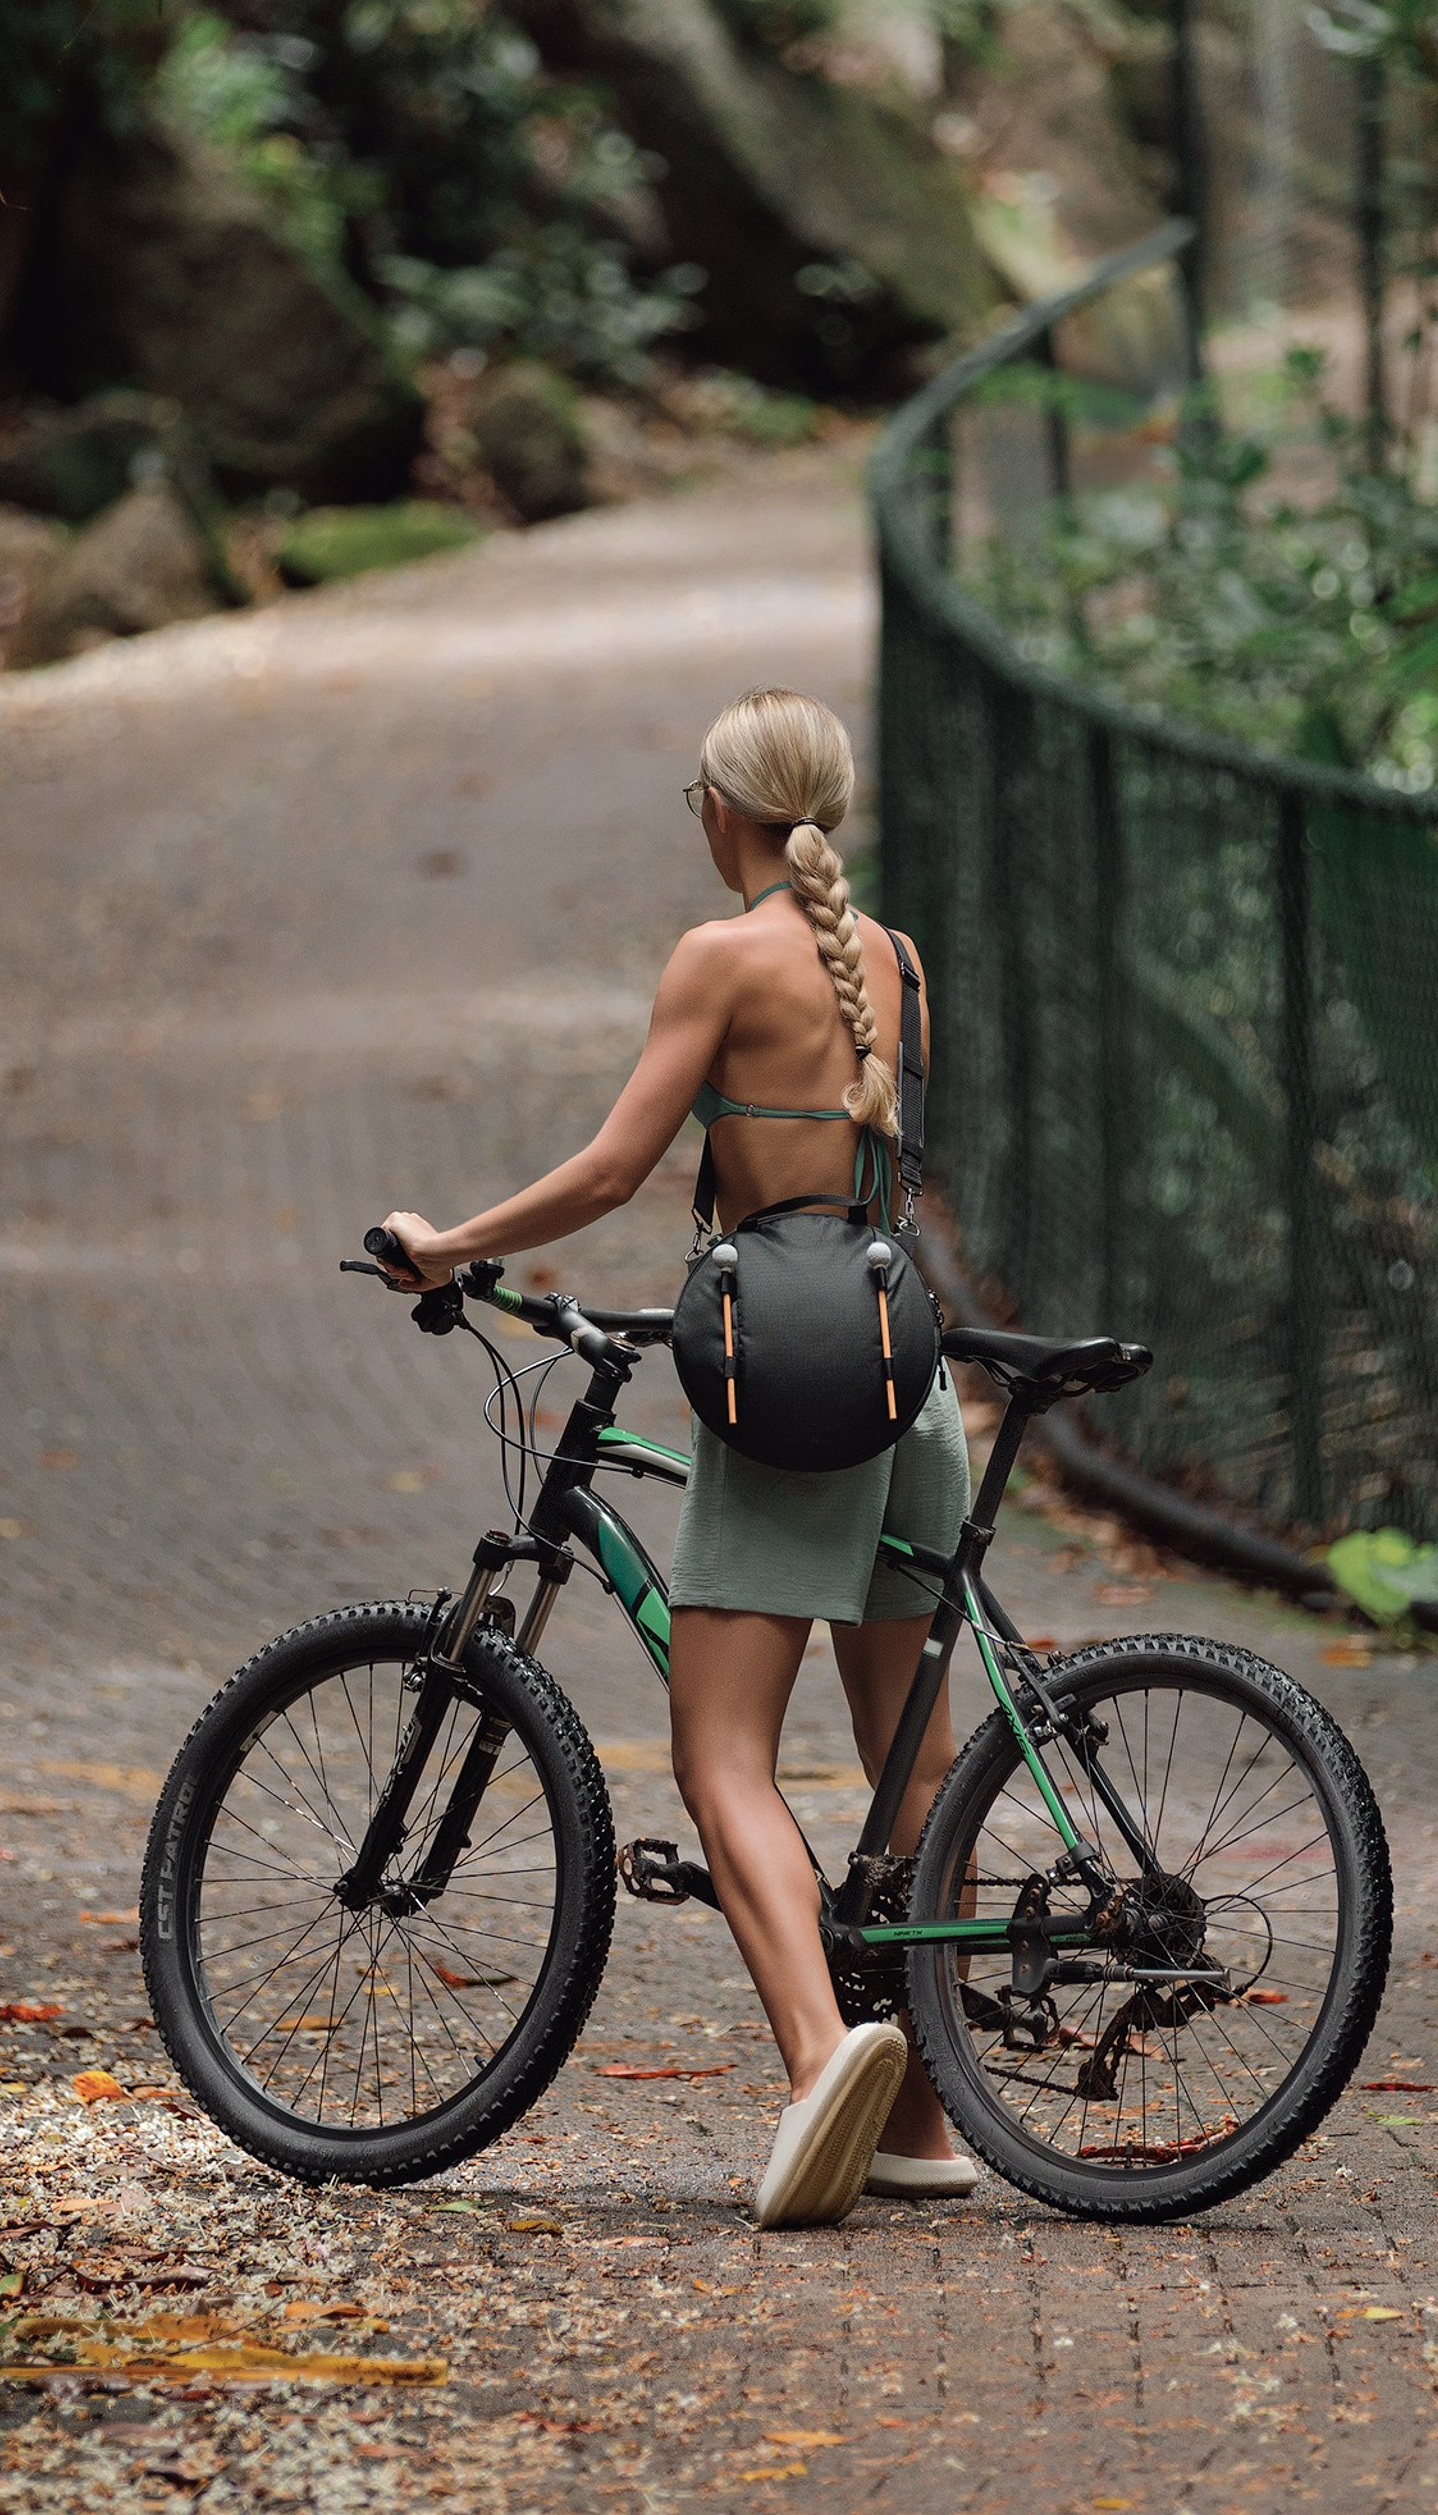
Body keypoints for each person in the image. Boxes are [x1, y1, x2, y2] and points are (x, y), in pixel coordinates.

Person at [379, 686, 980, 2228]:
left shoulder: (720, 957)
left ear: (721, 811)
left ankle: (813, 2070)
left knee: (723, 1757)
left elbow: (612, 1166)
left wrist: (449, 1246)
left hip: (789, 1382)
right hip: (906, 1370)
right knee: (913, 1758)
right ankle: (924, 2115)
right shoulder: (893, 961)